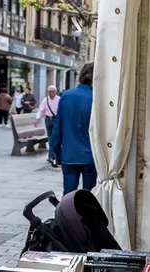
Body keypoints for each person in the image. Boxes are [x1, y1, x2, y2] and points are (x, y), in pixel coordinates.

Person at [51, 62, 97, 196]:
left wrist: (56, 153)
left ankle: (68, 216)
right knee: (90, 194)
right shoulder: (95, 98)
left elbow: (57, 128)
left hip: (69, 154)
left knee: (69, 194)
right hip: (90, 156)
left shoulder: (66, 96)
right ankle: (87, 217)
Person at [35, 85, 61, 167]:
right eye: (50, 91)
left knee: (54, 138)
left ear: (55, 92)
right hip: (48, 120)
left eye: (53, 91)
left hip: (56, 120)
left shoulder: (59, 99)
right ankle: (51, 156)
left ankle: (53, 156)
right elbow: (41, 110)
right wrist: (37, 118)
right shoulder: (45, 100)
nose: (51, 93)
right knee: (50, 138)